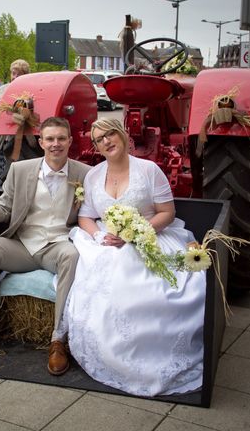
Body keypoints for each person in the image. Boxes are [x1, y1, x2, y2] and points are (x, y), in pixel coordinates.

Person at [64, 118, 206, 397]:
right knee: (102, 269)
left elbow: (167, 213)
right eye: (99, 139)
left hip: (151, 235)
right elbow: (85, 217)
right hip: (107, 239)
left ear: (123, 135)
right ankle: (106, 349)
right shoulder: (93, 175)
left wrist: (134, 235)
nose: (106, 141)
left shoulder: (149, 170)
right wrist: (97, 237)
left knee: (144, 277)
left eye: (110, 134)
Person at [0, 117, 91, 376]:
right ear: (40, 142)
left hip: (57, 245)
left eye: (61, 138)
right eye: (50, 139)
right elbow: (3, 210)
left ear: (70, 141)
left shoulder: (84, 173)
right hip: (23, 245)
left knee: (72, 255)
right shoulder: (21, 170)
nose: (55, 144)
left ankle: (58, 338)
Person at [0, 59, 43, 189]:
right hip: (4, 139)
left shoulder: (33, 91)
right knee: (3, 175)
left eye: (18, 74)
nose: (15, 77)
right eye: (13, 73)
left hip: (25, 141)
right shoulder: (3, 89)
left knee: (22, 178)